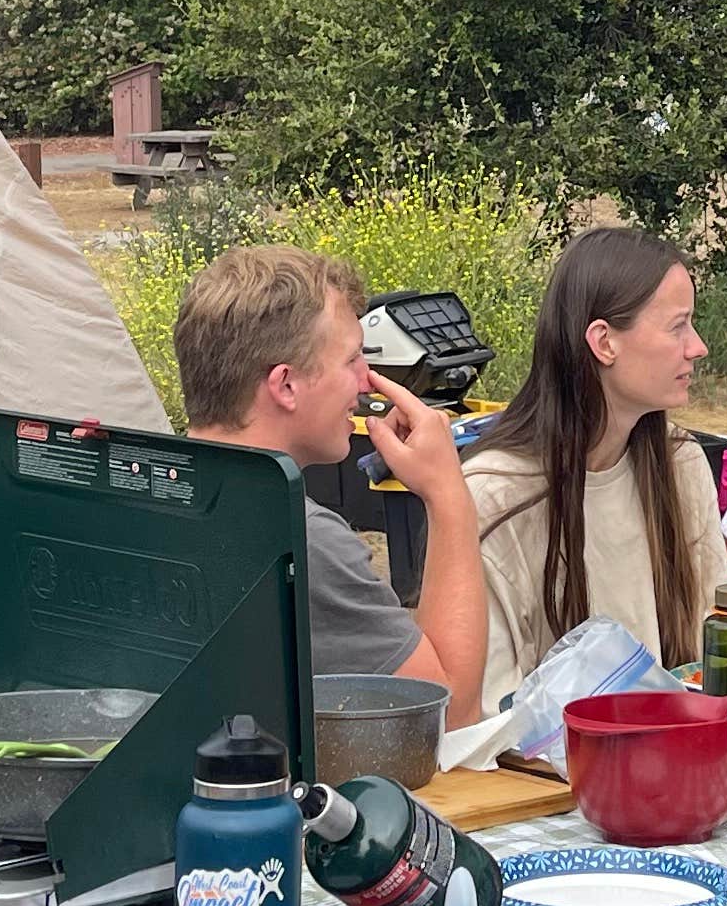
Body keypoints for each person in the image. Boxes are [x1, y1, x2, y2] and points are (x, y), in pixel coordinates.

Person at [172, 243, 490, 722]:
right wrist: (448, 495)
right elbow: (447, 712)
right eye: (353, 360)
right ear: (285, 386)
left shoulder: (132, 493)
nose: (367, 380)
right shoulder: (300, 541)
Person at [464, 228, 727, 707]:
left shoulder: (679, 463)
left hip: (679, 760)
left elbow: (715, 658)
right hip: (544, 778)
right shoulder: (494, 496)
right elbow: (490, 720)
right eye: (678, 326)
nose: (698, 347)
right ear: (604, 343)